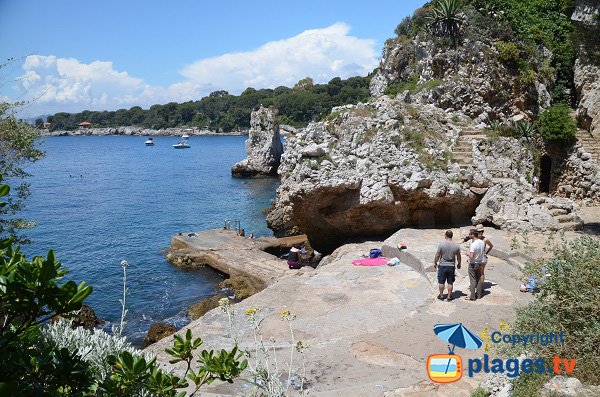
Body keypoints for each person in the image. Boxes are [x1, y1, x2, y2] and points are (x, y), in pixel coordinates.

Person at [434, 230, 461, 302]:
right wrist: (459, 263)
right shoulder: (456, 245)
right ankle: (449, 296)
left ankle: (441, 295)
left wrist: (435, 262)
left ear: (446, 235)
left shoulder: (441, 244)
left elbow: (437, 255)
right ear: (452, 236)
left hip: (442, 265)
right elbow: (458, 256)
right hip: (451, 266)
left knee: (441, 282)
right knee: (450, 282)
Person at [466, 229, 486, 301]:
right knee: (478, 279)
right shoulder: (482, 242)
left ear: (473, 235)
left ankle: (472, 296)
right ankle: (479, 295)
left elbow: (471, 256)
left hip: (473, 263)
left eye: (470, 234)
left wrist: (467, 253)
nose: (469, 235)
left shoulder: (473, 244)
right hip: (480, 262)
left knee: (473, 280)